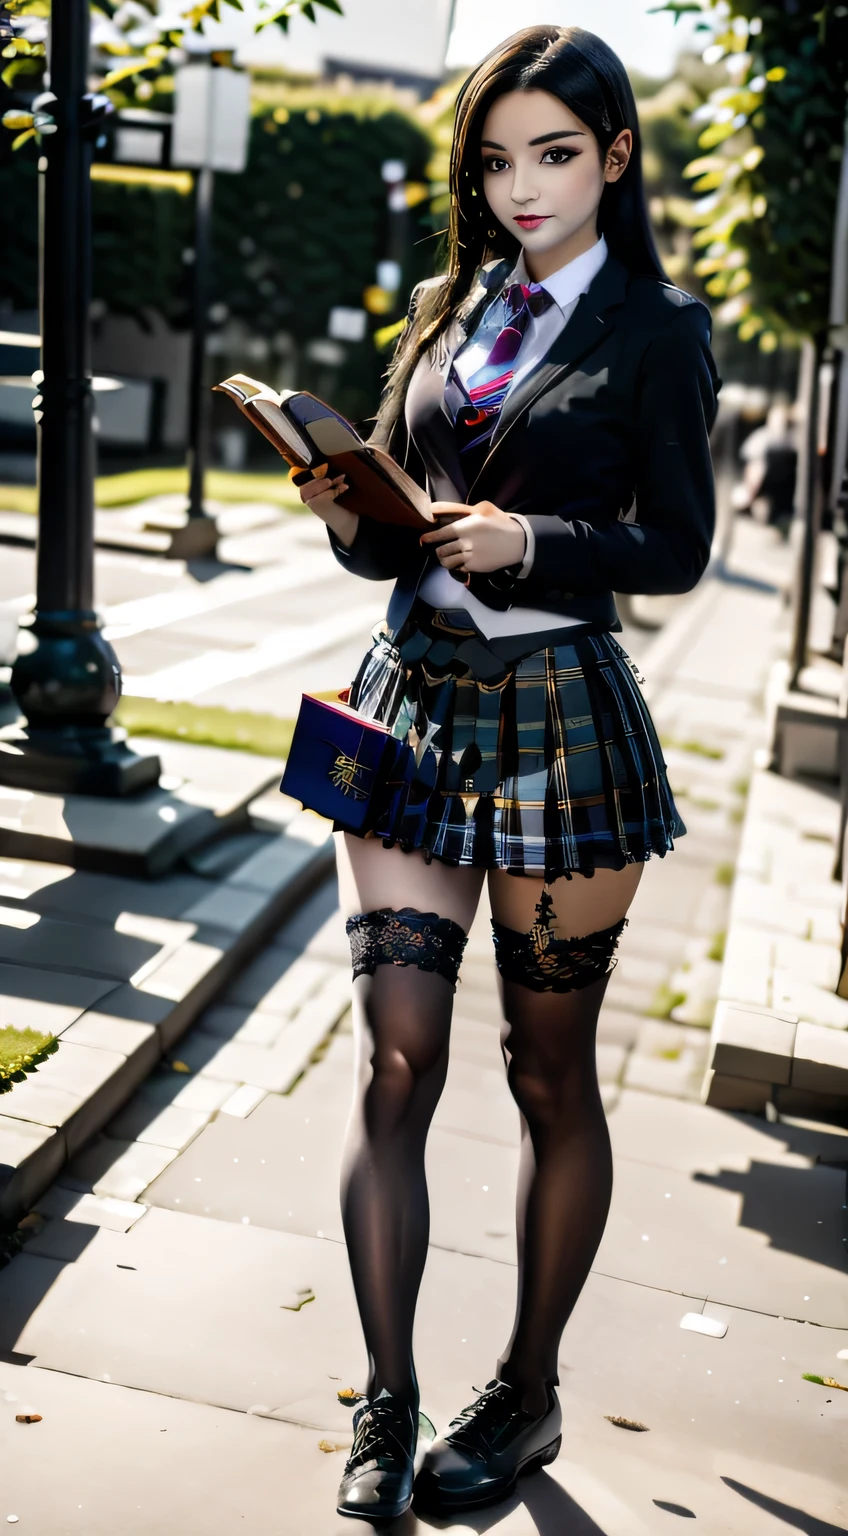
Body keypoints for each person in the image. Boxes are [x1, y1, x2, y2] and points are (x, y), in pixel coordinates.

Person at [295, 24, 719, 1522]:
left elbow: (677, 546)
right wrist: (351, 502)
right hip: (408, 705)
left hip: (563, 723)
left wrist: (532, 540)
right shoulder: (445, 309)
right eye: (496, 157)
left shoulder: (659, 331)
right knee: (394, 1056)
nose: (522, 185)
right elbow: (386, 538)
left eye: (554, 152)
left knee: (547, 1076)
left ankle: (527, 1390)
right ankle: (387, 1399)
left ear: (614, 155)